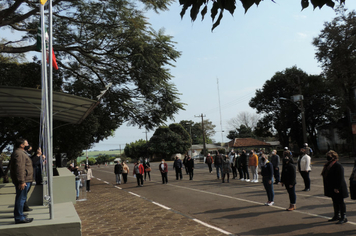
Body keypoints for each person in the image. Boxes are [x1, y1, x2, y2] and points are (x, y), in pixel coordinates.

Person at [10, 138, 34, 224]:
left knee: (22, 198)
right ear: (22, 145)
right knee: (21, 198)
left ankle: (20, 215)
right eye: (26, 143)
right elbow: (19, 168)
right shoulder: (19, 154)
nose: (28, 145)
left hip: (25, 179)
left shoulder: (21, 153)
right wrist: (21, 181)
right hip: (24, 180)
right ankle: (19, 217)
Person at [322, 150, 348, 224]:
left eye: (330, 156)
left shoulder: (338, 165)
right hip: (332, 187)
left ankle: (344, 217)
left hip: (338, 188)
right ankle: (336, 215)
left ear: (334, 157)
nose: (328, 157)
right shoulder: (328, 165)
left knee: (340, 202)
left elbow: (340, 178)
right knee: (335, 202)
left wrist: (337, 188)